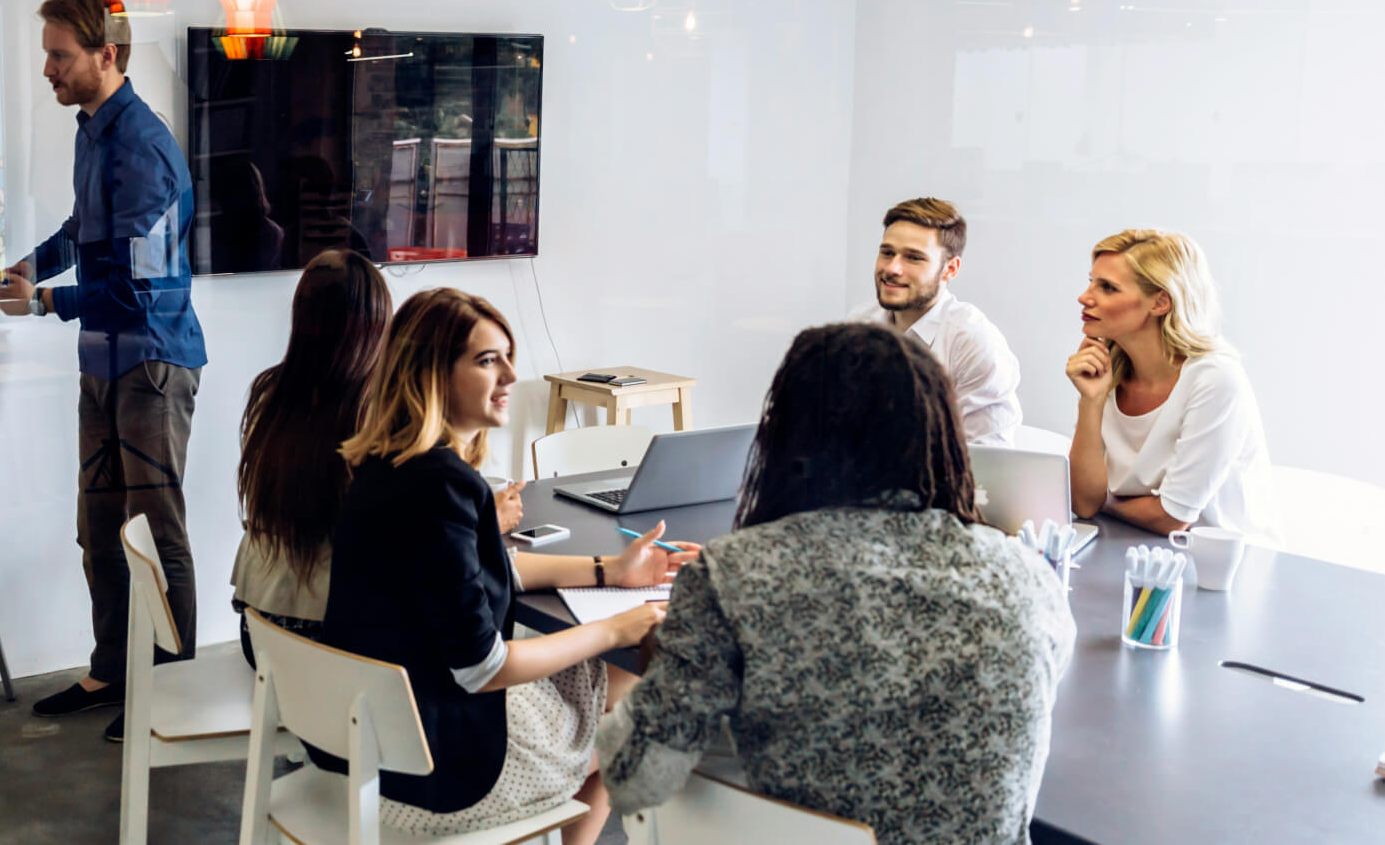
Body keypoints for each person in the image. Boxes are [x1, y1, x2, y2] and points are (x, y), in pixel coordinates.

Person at [599, 322, 1075, 844]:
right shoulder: (1028, 576)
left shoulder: (735, 574)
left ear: (787, 436)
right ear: (942, 436)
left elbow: (633, 779)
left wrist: (659, 668)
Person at [318, 288, 697, 845]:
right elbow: (483, 669)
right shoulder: (444, 486)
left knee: (610, 676)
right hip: (442, 775)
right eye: (487, 359)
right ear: (433, 375)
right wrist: (616, 627)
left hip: (374, 745)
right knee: (635, 716)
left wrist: (609, 570)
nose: (512, 376)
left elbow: (474, 577)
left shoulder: (385, 466)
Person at [0, 0, 206, 742]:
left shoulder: (142, 147)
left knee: (155, 531)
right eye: (47, 53)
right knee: (99, 524)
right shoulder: (92, 130)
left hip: (151, 361)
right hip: (103, 360)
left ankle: (173, 688)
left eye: (59, 54)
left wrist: (46, 304)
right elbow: (83, 227)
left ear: (105, 55)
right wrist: (31, 266)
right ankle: (113, 668)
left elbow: (139, 287)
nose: (47, 69)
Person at [230, 250, 389, 667]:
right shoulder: (376, 413)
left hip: (261, 635)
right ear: (375, 325)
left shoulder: (269, 393)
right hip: (333, 651)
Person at [1066, 229, 1273, 539]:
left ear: (1161, 302)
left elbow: (1172, 518)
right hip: (1133, 543)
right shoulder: (1105, 369)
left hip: (1220, 567)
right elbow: (1083, 503)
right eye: (1091, 281)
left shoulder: (1215, 379)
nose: (1085, 297)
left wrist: (1103, 502)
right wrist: (1090, 401)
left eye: (1108, 287)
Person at [852, 197, 1022, 445]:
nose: (892, 268)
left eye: (913, 258)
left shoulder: (974, 342)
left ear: (950, 269)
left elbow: (986, 462)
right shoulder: (859, 324)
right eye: (887, 253)